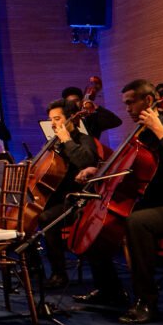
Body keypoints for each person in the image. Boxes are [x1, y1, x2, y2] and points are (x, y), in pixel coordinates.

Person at [73, 79, 163, 324]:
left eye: (131, 103)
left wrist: (160, 130)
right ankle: (109, 289)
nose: (128, 109)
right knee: (94, 218)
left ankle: (147, 302)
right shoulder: (140, 137)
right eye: (126, 104)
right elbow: (128, 171)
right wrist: (98, 170)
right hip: (153, 204)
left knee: (137, 222)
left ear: (149, 101)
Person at [34, 100, 100, 289]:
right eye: (51, 119)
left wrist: (67, 141)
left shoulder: (83, 140)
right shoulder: (53, 143)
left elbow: (86, 160)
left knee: (46, 218)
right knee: (25, 217)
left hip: (78, 201)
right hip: (57, 199)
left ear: (71, 119)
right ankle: (32, 270)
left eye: (57, 119)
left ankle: (59, 274)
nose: (53, 123)